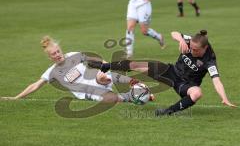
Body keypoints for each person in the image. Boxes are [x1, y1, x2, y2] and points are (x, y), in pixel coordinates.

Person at [88, 30, 237, 116]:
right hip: (171, 71)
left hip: (185, 84)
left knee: (197, 93)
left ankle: (167, 112)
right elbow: (174, 32)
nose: (192, 50)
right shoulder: (191, 42)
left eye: (196, 50)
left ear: (204, 49)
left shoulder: (209, 60)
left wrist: (224, 98)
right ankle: (106, 65)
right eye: (191, 47)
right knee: (137, 64)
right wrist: (180, 39)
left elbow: (216, 80)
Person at [1, 36, 146, 104]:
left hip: (98, 80)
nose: (57, 55)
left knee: (102, 75)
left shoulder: (72, 56)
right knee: (114, 100)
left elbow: (96, 60)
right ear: (50, 58)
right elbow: (36, 85)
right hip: (88, 93)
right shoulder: (51, 72)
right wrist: (16, 98)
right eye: (54, 54)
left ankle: (134, 83)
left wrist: (107, 65)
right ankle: (133, 96)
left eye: (58, 51)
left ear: (60, 49)